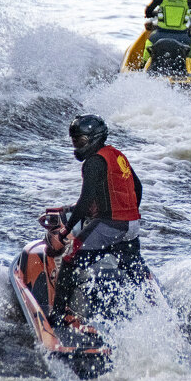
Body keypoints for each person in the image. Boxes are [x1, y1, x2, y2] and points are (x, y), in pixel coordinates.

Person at [47, 114, 148, 327]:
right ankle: (150, 309)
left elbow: (85, 202)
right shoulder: (117, 155)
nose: (77, 146)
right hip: (132, 225)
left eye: (80, 141)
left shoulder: (93, 163)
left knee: (69, 262)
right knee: (135, 270)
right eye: (74, 141)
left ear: (93, 139)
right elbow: (137, 188)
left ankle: (58, 315)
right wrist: (128, 213)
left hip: (109, 225)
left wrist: (64, 232)